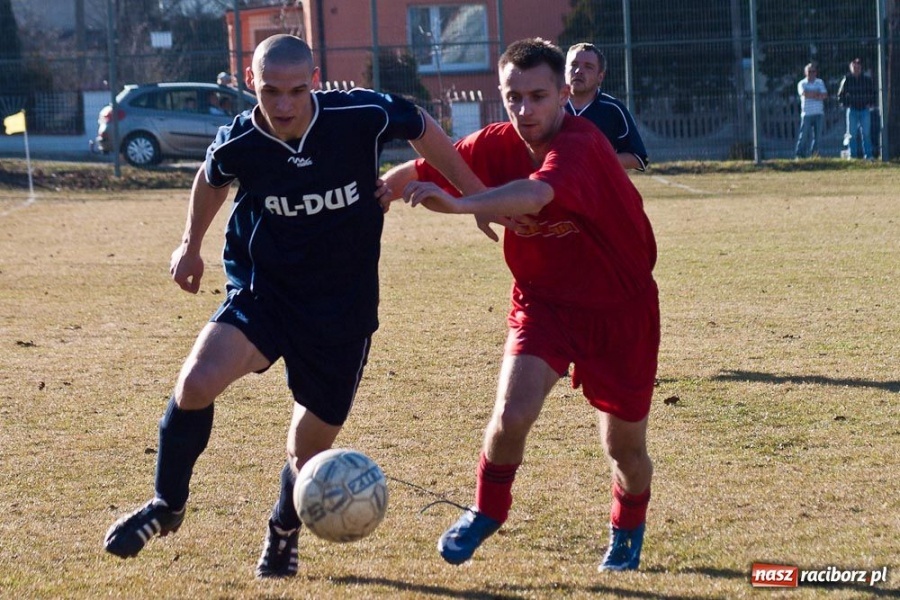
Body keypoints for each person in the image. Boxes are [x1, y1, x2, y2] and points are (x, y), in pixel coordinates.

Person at [103, 34, 484, 579]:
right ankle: (166, 505)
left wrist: (472, 198)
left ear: (316, 77)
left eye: (296, 90)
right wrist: (189, 245)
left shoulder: (361, 114)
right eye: (270, 91)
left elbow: (421, 125)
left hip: (342, 309)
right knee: (195, 384)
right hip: (265, 293)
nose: (283, 105)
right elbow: (211, 178)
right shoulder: (241, 139)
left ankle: (283, 531)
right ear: (250, 81)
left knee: (307, 450)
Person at [383, 38, 659, 572]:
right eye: (514, 97)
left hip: (620, 311)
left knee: (623, 448)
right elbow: (420, 170)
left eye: (538, 96)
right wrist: (371, 197)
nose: (525, 110)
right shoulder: (497, 141)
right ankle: (487, 510)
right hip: (544, 304)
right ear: (501, 95)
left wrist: (465, 204)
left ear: (563, 94)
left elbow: (535, 196)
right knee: (510, 416)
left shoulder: (583, 144)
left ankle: (627, 529)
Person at [564, 42, 648, 171]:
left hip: (597, 189)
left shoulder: (613, 109)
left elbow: (637, 157)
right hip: (556, 188)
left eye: (588, 67)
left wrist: (597, 161)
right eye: (574, 65)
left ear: (600, 77)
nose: (579, 71)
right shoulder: (549, 107)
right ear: (565, 71)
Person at [837, 57, 877, 159]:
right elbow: (840, 95)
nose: (856, 68)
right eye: (854, 66)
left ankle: (868, 155)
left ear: (861, 67)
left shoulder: (867, 80)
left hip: (864, 109)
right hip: (852, 110)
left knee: (866, 133)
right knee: (852, 134)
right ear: (851, 67)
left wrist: (871, 103)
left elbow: (873, 93)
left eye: (858, 66)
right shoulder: (847, 79)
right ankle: (852, 155)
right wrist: (845, 104)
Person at [794, 63, 827, 158]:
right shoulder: (802, 83)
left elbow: (824, 95)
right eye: (809, 71)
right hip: (807, 113)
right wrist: (817, 94)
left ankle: (815, 154)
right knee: (803, 136)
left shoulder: (820, 82)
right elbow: (804, 94)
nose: (812, 73)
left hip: (819, 113)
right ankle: (800, 155)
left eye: (813, 71)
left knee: (817, 137)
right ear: (805, 73)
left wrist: (812, 94)